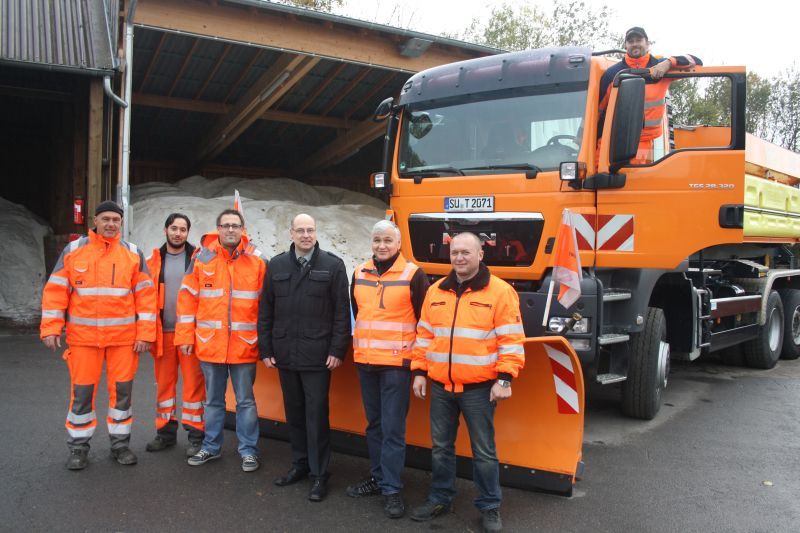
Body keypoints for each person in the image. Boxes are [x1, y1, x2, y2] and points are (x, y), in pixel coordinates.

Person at [409, 232, 525, 533]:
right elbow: (424, 336)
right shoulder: (436, 291)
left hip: (479, 390)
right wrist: (419, 371)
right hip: (441, 387)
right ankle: (440, 499)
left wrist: (505, 377)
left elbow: (511, 340)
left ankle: (489, 507)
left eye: (466, 252)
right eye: (455, 252)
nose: (459, 258)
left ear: (480, 255)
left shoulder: (499, 293)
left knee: (484, 452)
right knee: (441, 449)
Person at [40, 200, 157, 470]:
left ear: (121, 223)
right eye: (105, 219)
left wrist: (145, 334)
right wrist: (51, 327)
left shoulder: (132, 254)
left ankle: (120, 445)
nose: (110, 224)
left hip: (124, 340)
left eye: (115, 220)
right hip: (84, 340)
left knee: (122, 395)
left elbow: (147, 298)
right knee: (82, 394)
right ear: (95, 220)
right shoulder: (74, 251)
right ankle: (79, 448)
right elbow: (56, 291)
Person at [258, 213, 351, 502]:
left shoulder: (332, 265)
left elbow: (341, 314)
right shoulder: (276, 265)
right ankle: (299, 464)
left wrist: (337, 350)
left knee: (316, 417)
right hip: (285, 353)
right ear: (291, 233)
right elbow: (266, 311)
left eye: (310, 230)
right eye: (300, 230)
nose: (306, 235)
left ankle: (320, 475)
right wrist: (266, 349)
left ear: (316, 232)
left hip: (317, 356)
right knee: (294, 415)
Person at [345, 220, 430, 518]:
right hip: (366, 363)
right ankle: (379, 478)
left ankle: (392, 489)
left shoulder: (414, 275)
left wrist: (419, 367)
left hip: (396, 366)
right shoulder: (359, 272)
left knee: (393, 429)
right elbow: (359, 315)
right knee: (375, 426)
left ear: (398, 245)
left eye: (387, 241)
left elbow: (426, 324)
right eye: (377, 240)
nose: (382, 245)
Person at [176, 209, 268, 473]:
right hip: (211, 344)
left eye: (235, 225)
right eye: (225, 225)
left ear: (242, 229)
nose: (230, 230)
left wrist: (267, 343)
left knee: (246, 402)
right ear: (218, 229)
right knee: (213, 402)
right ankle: (211, 447)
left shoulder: (257, 262)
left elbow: (267, 306)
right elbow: (186, 300)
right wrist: (184, 336)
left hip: (244, 345)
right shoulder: (201, 259)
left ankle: (249, 451)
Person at [144, 213, 204, 457]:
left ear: (188, 233)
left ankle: (196, 436)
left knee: (194, 387)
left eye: (183, 229)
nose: (178, 233)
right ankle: (165, 433)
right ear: (165, 230)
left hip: (190, 335)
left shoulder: (199, 259)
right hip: (164, 334)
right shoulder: (153, 261)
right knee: (165, 387)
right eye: (174, 228)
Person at [598, 26, 702, 163]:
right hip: (612, 138)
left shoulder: (661, 67)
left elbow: (697, 62)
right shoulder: (612, 73)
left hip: (644, 141)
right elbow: (597, 109)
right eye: (630, 41)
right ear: (625, 45)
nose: (635, 44)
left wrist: (669, 63)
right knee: (595, 172)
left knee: (631, 178)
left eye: (639, 40)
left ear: (647, 43)